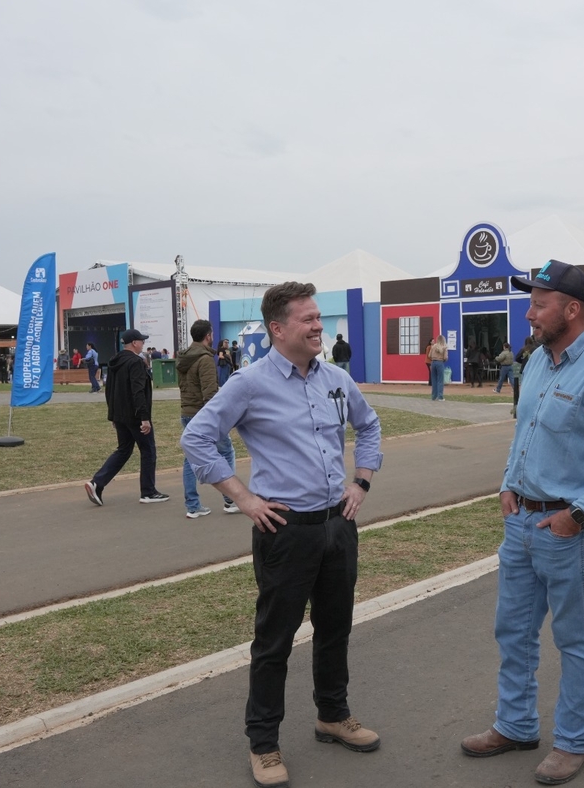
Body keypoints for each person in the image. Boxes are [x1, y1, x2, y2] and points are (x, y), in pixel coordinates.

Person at [181, 282, 383, 788]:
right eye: (308, 319)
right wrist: (243, 498)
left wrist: (361, 480)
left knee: (336, 628)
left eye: (319, 318)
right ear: (278, 328)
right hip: (285, 531)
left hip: (338, 525)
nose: (318, 326)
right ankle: (264, 744)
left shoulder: (335, 378)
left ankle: (332, 716)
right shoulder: (249, 384)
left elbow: (370, 425)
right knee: (275, 642)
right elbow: (197, 437)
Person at [461, 260, 584, 786]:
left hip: (569, 530)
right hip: (521, 521)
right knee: (514, 630)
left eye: (539, 304)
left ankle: (574, 742)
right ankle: (516, 724)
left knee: (576, 636)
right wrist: (507, 484)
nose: (529, 313)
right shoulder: (540, 361)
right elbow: (526, 432)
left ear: (572, 310)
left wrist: (580, 513)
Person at [85, 329, 169, 507]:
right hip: (135, 415)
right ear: (134, 343)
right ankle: (148, 491)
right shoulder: (135, 363)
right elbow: (137, 391)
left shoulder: (114, 362)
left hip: (120, 415)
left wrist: (113, 415)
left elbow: (110, 390)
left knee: (124, 450)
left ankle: (97, 483)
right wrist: (144, 418)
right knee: (148, 450)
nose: (143, 344)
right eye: (141, 341)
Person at [176, 319, 240, 517]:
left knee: (190, 459)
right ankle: (231, 500)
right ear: (208, 336)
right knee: (226, 452)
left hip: (187, 412)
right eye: (211, 334)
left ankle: (193, 506)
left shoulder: (183, 358)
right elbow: (210, 395)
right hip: (202, 415)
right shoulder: (204, 359)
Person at [427, 334, 448, 401]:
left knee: (434, 380)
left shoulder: (433, 347)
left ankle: (434, 396)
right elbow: (445, 357)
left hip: (433, 363)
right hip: (440, 362)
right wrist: (444, 360)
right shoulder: (444, 347)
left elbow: (429, 355)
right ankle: (440, 397)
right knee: (440, 380)